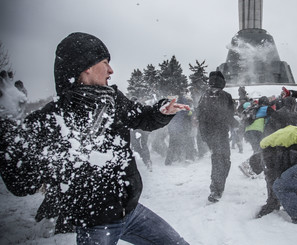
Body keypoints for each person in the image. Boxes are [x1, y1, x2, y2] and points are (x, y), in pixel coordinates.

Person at [0, 32, 190, 245]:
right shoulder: (53, 118)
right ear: (87, 66)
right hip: (95, 225)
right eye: (105, 62)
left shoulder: (112, 100)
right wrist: (7, 124)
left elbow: (142, 117)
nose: (111, 70)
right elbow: (20, 182)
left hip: (131, 212)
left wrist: (161, 111)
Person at [197, 71, 236, 203]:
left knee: (223, 160)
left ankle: (218, 185)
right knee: (220, 160)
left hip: (215, 133)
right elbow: (230, 114)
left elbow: (200, 115)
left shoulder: (204, 96)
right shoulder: (224, 96)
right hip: (217, 134)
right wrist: (235, 123)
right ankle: (216, 189)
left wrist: (203, 134)